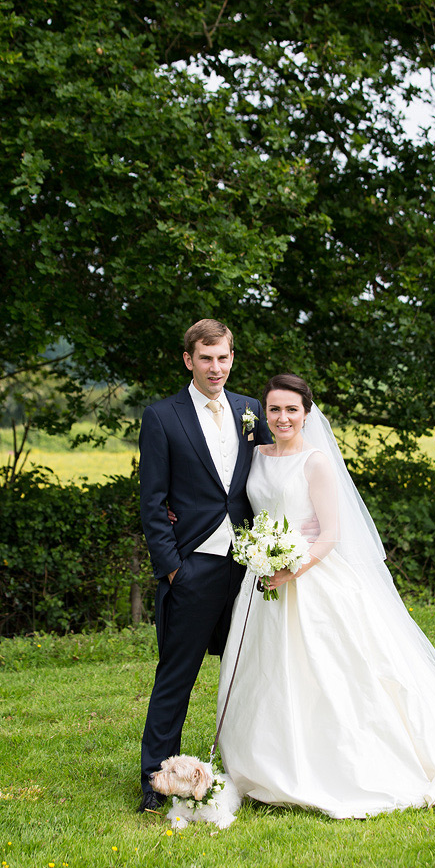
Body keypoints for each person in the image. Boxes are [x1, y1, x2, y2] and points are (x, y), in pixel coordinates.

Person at [217, 373, 435, 817]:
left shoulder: (316, 462)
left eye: (291, 409)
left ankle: (336, 762)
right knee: (266, 673)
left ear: (306, 412)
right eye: (275, 409)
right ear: (265, 412)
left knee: (331, 671)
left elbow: (331, 534)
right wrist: (264, 561)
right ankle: (263, 763)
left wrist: (290, 568)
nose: (282, 417)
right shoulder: (256, 456)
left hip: (312, 579)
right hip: (262, 580)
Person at [137, 319, 272, 811]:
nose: (216, 368)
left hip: (251, 566)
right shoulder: (162, 417)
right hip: (194, 566)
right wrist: (173, 568)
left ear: (232, 358)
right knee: (177, 676)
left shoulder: (251, 411)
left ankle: (252, 772)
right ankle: (157, 786)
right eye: (206, 358)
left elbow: (266, 474)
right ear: (188, 360)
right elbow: (152, 501)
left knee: (252, 670)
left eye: (224, 358)